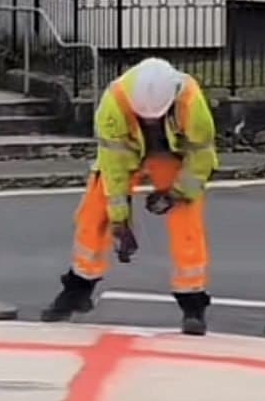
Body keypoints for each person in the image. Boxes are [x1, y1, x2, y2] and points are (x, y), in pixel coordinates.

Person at [40, 56, 218, 335]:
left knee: (187, 218)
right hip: (126, 152)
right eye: (143, 117)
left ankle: (192, 303)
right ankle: (78, 289)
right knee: (95, 213)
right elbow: (115, 170)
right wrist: (120, 223)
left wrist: (175, 193)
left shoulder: (191, 101)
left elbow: (200, 158)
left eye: (155, 118)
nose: (149, 121)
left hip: (171, 155)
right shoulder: (113, 105)